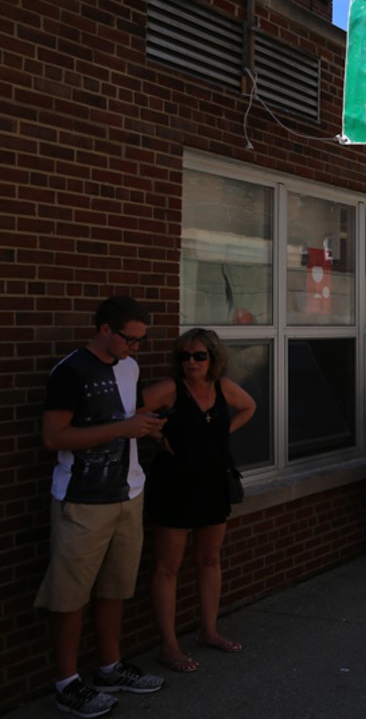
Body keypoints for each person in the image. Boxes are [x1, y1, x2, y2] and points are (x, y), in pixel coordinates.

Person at [37, 295, 167, 718]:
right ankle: (67, 683)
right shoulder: (70, 371)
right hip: (82, 499)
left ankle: (109, 668)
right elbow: (54, 437)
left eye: (141, 341)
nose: (136, 348)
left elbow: (122, 419)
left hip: (128, 493)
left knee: (115, 587)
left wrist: (143, 428)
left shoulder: (130, 367)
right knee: (70, 595)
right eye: (130, 339)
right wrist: (125, 427)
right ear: (105, 330)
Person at [142, 328, 257, 673]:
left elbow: (249, 406)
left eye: (198, 356)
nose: (191, 362)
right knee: (169, 566)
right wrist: (158, 436)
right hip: (174, 484)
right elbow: (128, 413)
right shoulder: (170, 389)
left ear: (213, 358)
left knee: (209, 559)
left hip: (213, 482)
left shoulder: (223, 388)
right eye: (184, 356)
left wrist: (219, 434)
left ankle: (209, 631)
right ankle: (169, 645)